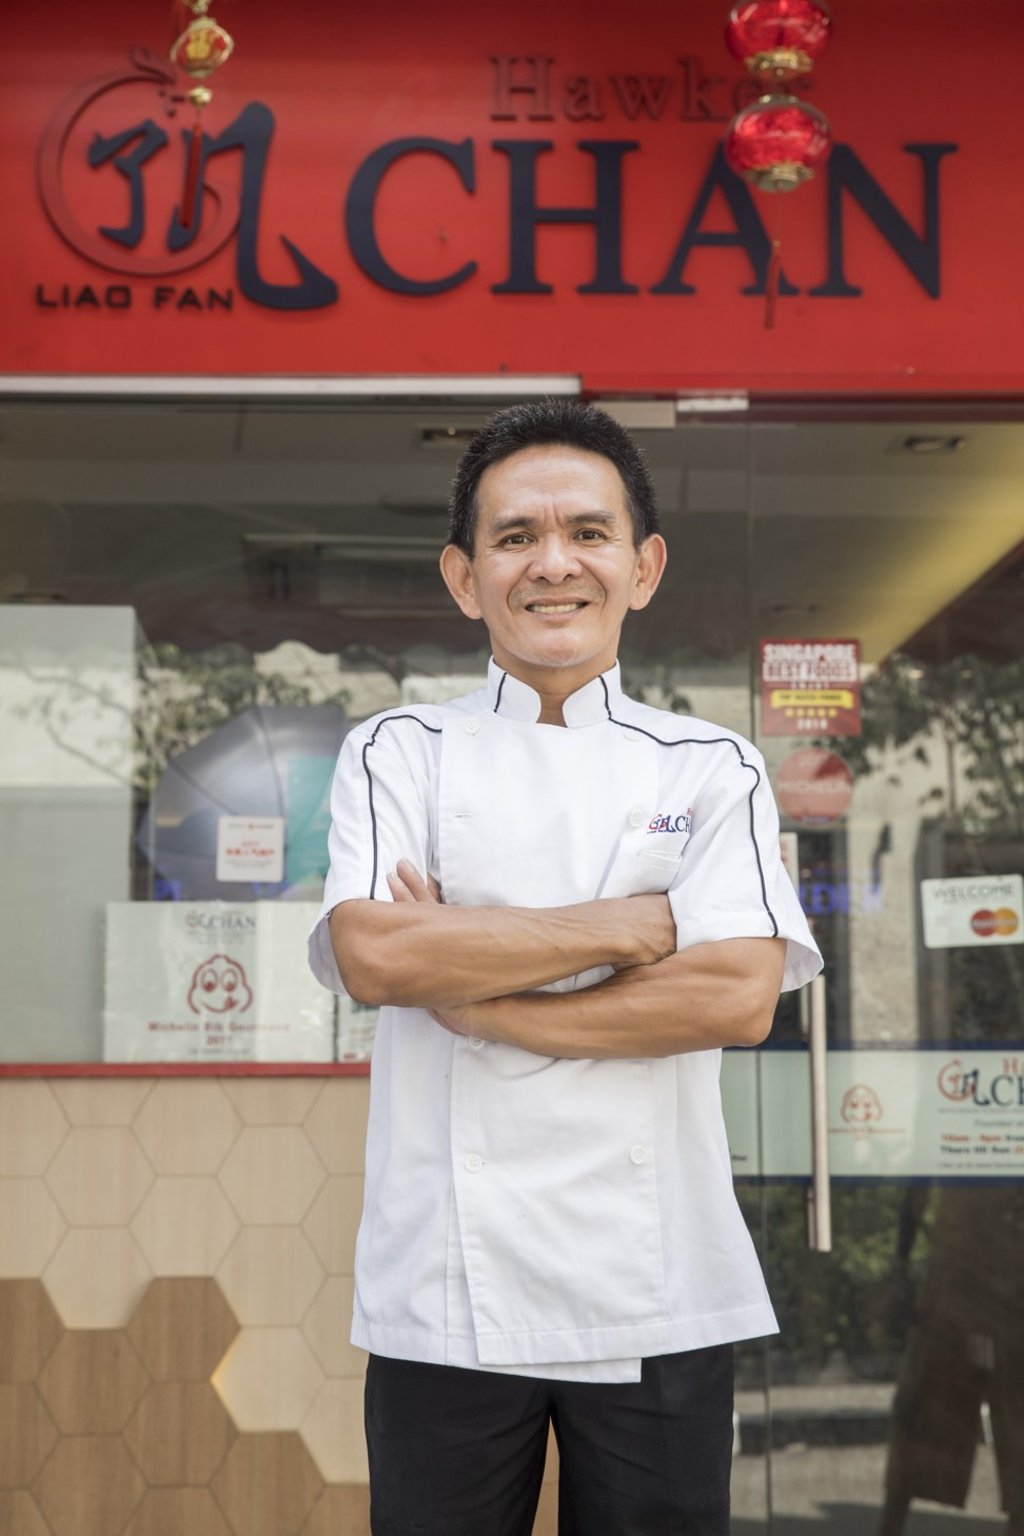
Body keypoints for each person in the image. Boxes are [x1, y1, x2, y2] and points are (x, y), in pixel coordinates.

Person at [308, 398, 822, 1535]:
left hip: (657, 1288)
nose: (553, 564)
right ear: (463, 576)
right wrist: (631, 928)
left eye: (587, 534)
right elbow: (377, 952)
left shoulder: (711, 765)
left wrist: (487, 1006)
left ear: (642, 567)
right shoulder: (400, 750)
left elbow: (736, 996)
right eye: (514, 538)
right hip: (445, 1284)